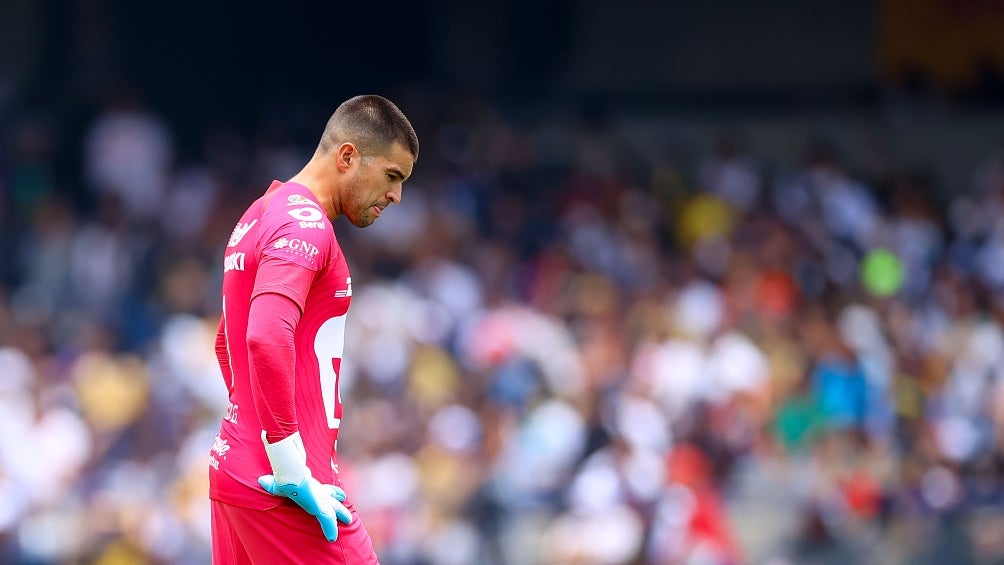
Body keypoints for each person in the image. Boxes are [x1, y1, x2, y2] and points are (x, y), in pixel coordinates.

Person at [208, 95, 418, 564]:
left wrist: (252, 434)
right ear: (348, 156)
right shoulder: (305, 225)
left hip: (236, 466)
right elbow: (265, 336)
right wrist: (288, 464)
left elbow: (227, 343)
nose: (396, 196)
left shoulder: (259, 213)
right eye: (392, 176)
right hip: (286, 485)